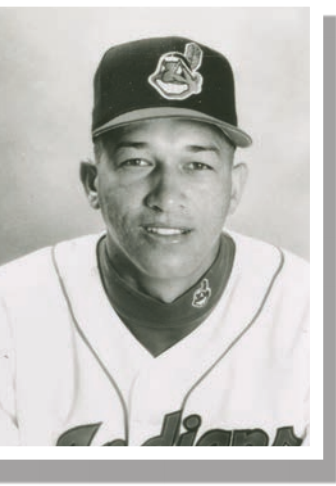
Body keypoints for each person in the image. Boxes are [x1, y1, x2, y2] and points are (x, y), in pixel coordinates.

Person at [0, 36, 309, 446]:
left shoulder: (311, 311)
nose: (166, 197)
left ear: (234, 186)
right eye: (137, 162)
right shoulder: (11, 309)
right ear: (93, 182)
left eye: (197, 164)